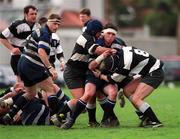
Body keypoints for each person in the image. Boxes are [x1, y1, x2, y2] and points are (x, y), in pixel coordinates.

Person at [2, 14, 69, 125]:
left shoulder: (38, 31)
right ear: (48, 22)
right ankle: (56, 117)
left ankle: (10, 115)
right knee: (50, 89)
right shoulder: (45, 34)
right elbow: (41, 52)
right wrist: (50, 68)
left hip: (22, 63)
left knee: (30, 93)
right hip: (32, 64)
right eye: (54, 23)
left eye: (58, 24)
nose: (56, 26)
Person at [90, 46, 164, 128]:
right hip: (148, 71)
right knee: (127, 90)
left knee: (136, 99)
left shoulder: (124, 65)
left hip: (154, 72)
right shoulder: (121, 50)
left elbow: (111, 79)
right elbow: (131, 48)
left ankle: (155, 121)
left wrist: (100, 75)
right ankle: (145, 117)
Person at [0, 5, 40, 94]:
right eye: (32, 14)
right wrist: (12, 49)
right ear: (26, 14)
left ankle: (13, 99)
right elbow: (2, 37)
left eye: (35, 14)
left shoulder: (37, 26)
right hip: (17, 58)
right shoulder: (17, 25)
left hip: (30, 59)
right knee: (21, 85)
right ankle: (7, 101)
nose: (34, 16)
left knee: (31, 86)